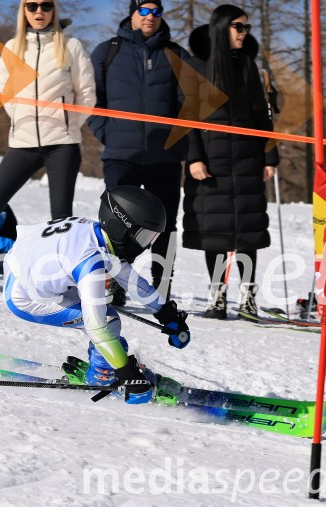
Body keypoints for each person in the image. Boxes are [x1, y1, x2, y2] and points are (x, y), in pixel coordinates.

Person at [0, 0, 97, 300]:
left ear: (53, 10)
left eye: (45, 5)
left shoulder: (71, 46)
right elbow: (8, 95)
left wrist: (67, 122)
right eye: (32, 5)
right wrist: (23, 123)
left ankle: (61, 286)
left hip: (62, 144)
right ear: (24, 10)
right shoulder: (14, 48)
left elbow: (87, 94)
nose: (38, 11)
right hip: (24, 143)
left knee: (60, 219)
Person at [3, 186, 190, 404]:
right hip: (25, 298)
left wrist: (166, 313)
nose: (147, 247)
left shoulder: (96, 234)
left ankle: (104, 365)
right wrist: (126, 373)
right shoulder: (90, 261)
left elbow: (128, 278)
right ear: (122, 227)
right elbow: (97, 327)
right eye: (145, 237)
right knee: (108, 321)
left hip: (26, 270)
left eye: (152, 238)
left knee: (101, 314)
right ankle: (102, 376)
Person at [88, 0, 190, 304]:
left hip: (164, 158)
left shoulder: (176, 54)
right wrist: (106, 133)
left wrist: (177, 143)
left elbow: (189, 105)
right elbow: (92, 98)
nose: (150, 17)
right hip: (122, 156)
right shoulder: (109, 51)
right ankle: (116, 283)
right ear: (132, 13)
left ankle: (161, 287)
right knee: (118, 224)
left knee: (165, 225)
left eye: (156, 11)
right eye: (144, 10)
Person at [182, 5, 278, 319]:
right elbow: (188, 119)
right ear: (221, 28)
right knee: (216, 231)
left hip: (247, 159)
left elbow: (263, 117)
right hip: (210, 161)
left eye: (246, 28)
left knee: (246, 230)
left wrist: (270, 155)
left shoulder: (250, 66)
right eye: (238, 27)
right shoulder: (197, 66)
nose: (243, 33)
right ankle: (218, 299)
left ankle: (249, 299)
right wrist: (194, 156)